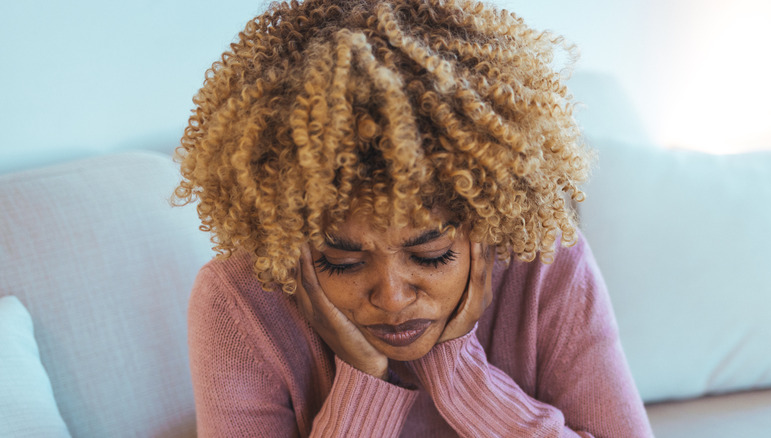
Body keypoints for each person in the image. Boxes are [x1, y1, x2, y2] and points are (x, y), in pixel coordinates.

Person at [174, 0, 654, 436]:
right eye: (342, 260)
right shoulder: (239, 301)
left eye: (430, 255)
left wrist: (459, 373)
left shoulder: (544, 263)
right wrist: (364, 384)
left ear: (485, 222)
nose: (392, 297)